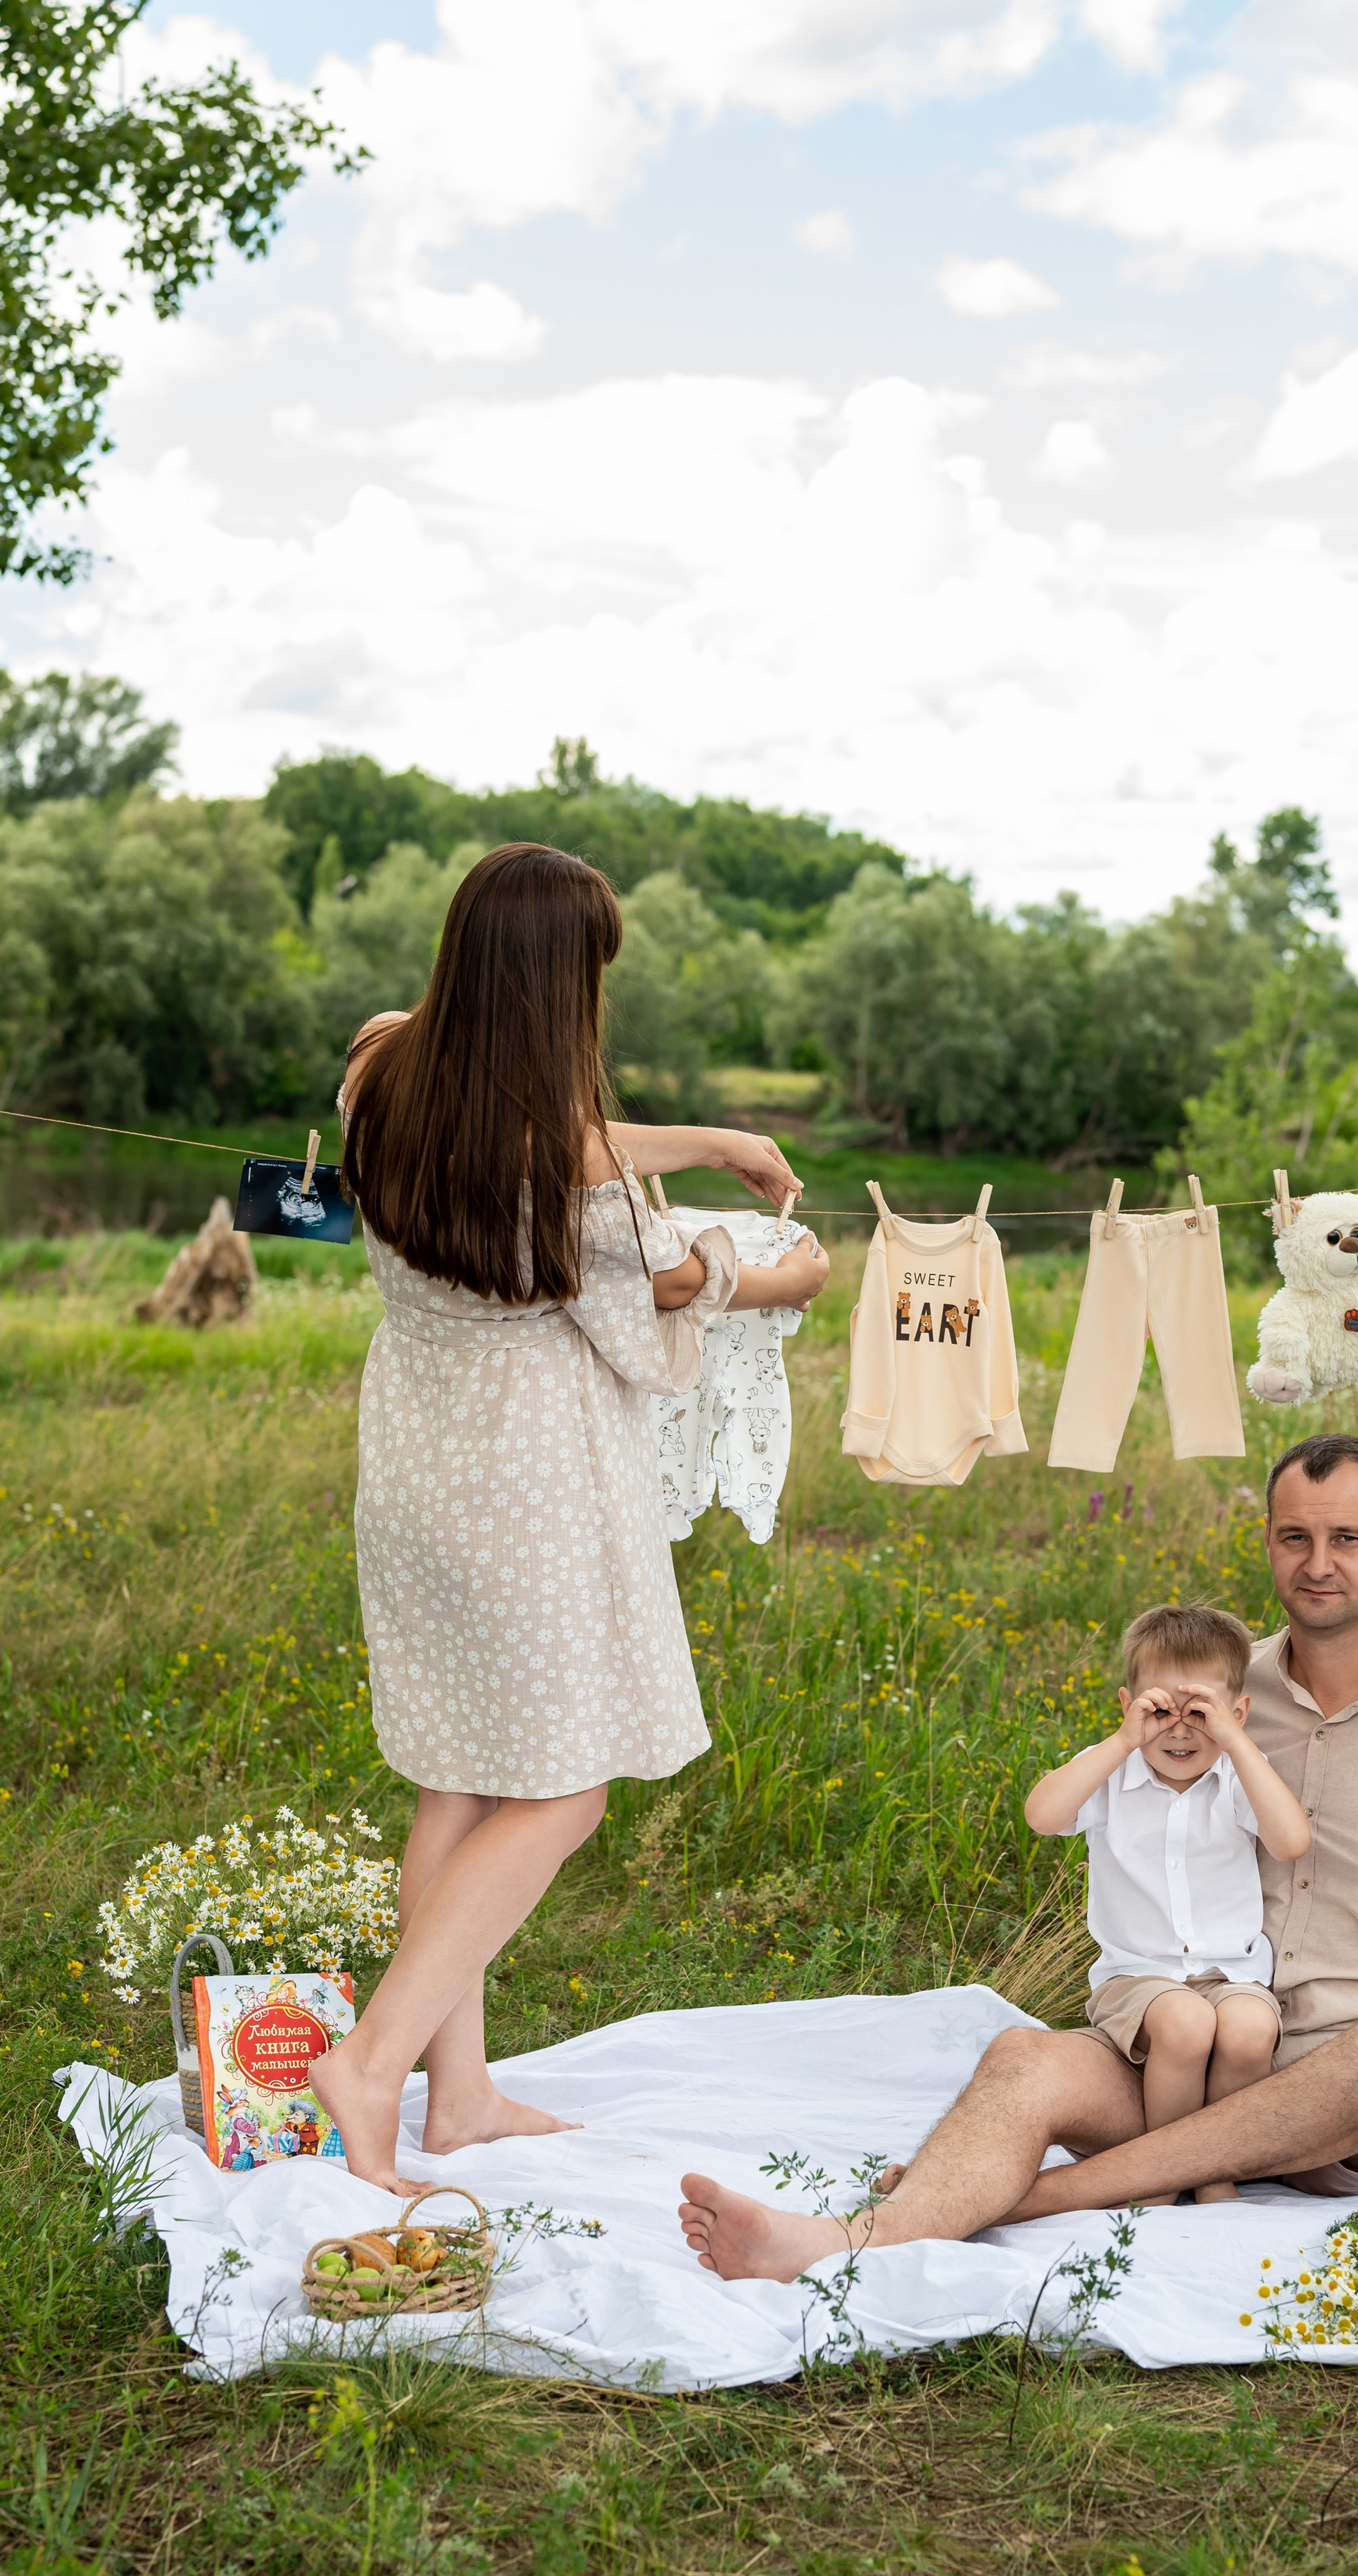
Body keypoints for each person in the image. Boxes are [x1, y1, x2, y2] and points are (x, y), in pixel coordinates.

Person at [678, 1431, 1358, 2280]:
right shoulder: (1215, 1691)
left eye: (1347, 1538)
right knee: (1024, 2058)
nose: (1318, 1563)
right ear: (1267, 1542)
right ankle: (844, 2242)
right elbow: (1097, 1810)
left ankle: (1045, 2195)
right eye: (1294, 1536)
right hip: (1200, 2063)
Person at [311, 842, 829, 2191]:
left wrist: (711, 1137)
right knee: (562, 1788)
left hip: (417, 1465)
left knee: (457, 1771)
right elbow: (647, 1290)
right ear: (556, 985)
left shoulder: (380, 1068)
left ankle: (460, 2090)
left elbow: (566, 1142)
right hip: (527, 1484)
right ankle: (370, 2064)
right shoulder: (571, 1169)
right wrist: (773, 1276)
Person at [1024, 1602, 1311, 2206]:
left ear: (1237, 1713)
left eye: (1200, 1713)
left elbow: (1290, 1841)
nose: (1179, 1730)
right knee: (1184, 2023)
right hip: (1138, 1977)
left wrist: (1234, 1742)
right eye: (1159, 1711)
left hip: (1229, 1972)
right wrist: (1124, 1739)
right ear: (1130, 1707)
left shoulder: (1237, 1777)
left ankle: (1214, 2166)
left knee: (1251, 2029)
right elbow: (1043, 1816)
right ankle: (1160, 2173)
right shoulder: (1112, 1776)